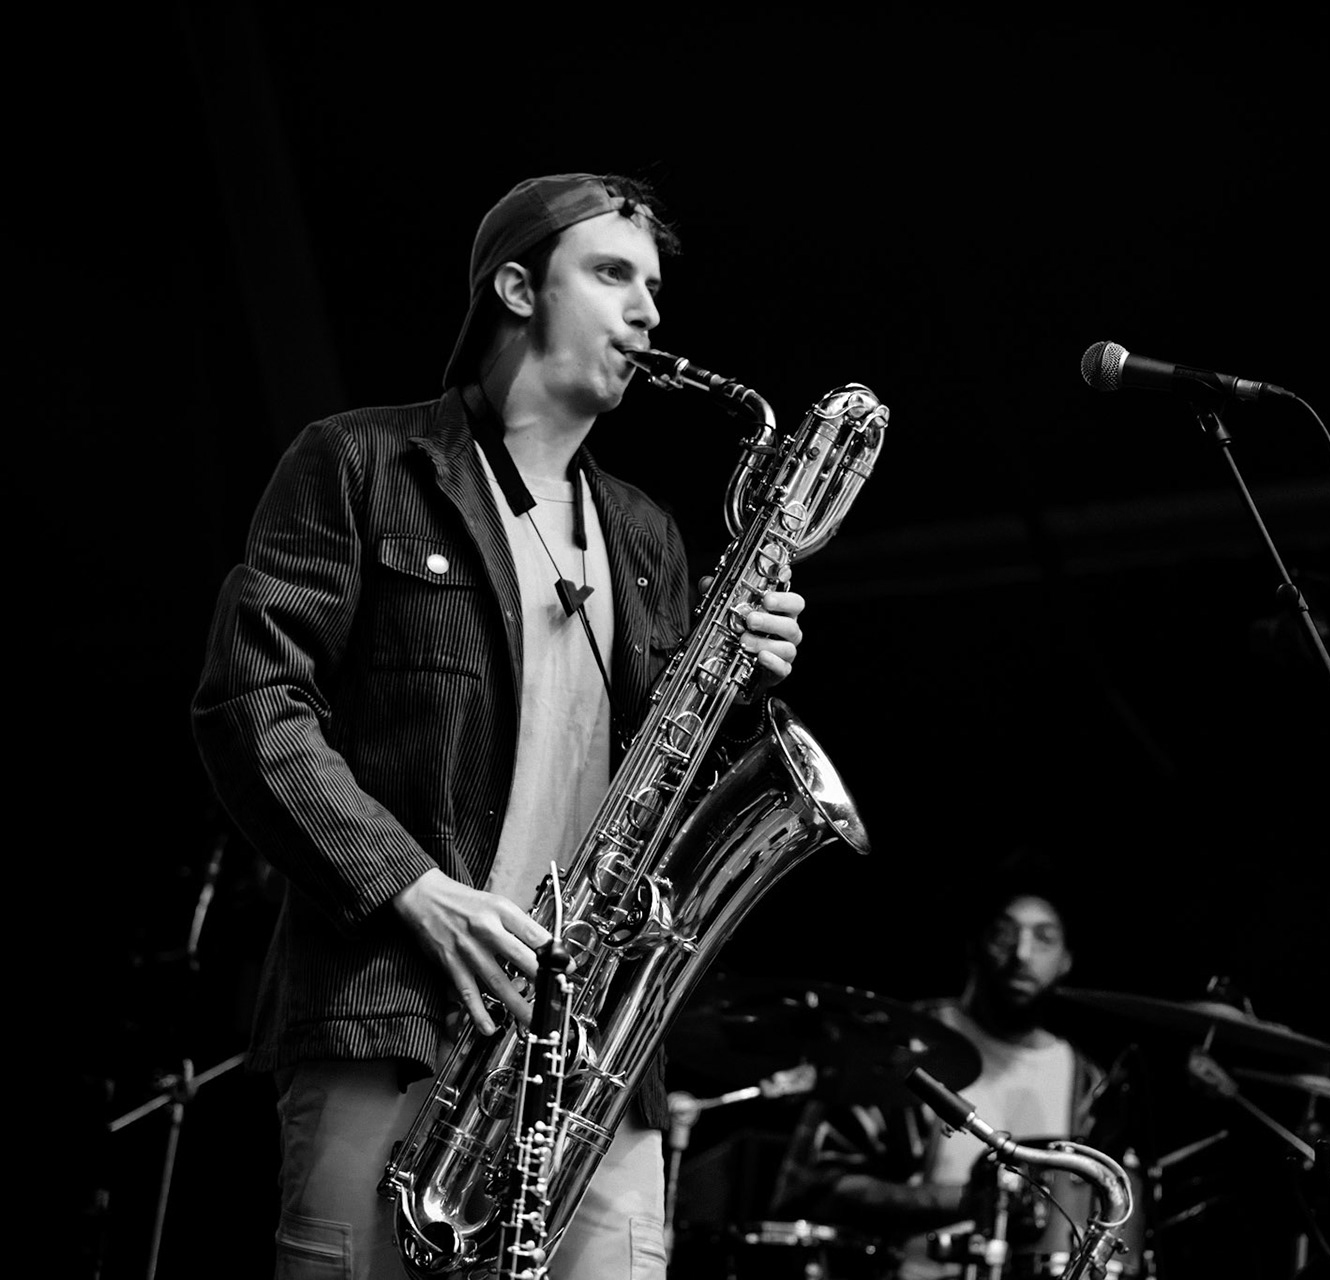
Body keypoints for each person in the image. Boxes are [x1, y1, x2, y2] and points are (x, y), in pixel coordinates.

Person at [192, 172, 808, 1280]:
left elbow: (663, 774)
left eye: (655, 285)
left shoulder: (646, 533)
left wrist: (744, 679)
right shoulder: (359, 462)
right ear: (516, 285)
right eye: (613, 273)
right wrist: (416, 889)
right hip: (393, 1015)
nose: (649, 312)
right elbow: (251, 704)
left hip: (592, 1057)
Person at [770, 883, 1107, 1279]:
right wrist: (963, 1201)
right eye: (1004, 934)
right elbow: (813, 1189)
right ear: (975, 944)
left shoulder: (1086, 1082)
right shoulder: (901, 1046)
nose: (1022, 954)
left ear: (1066, 960)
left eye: (1044, 938)